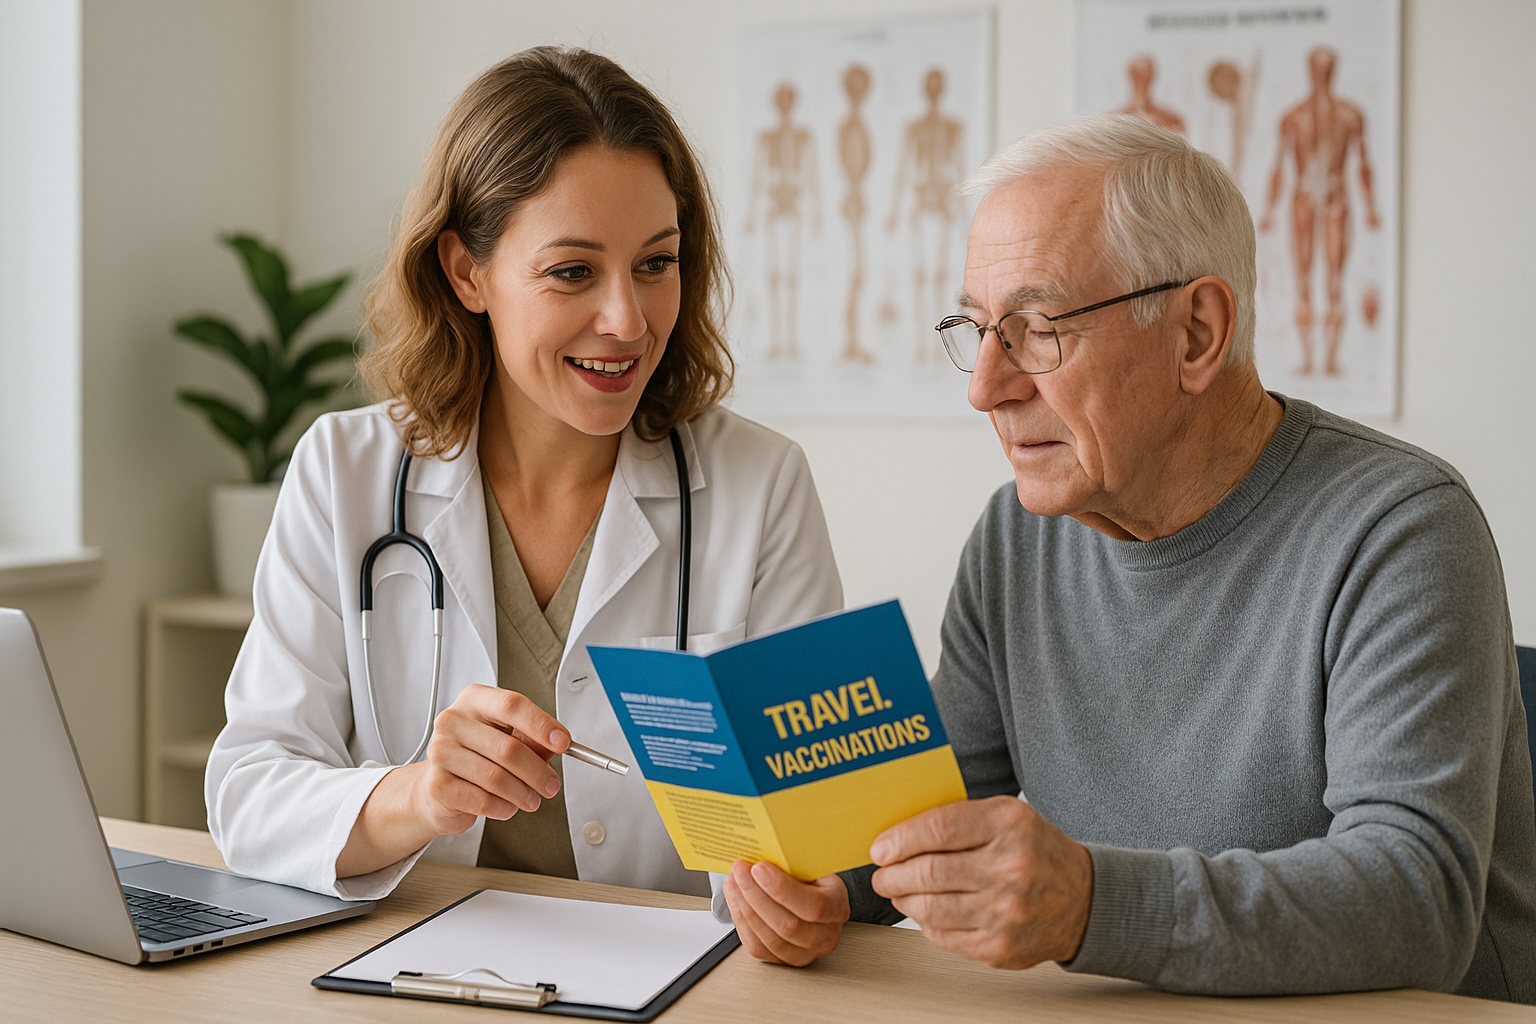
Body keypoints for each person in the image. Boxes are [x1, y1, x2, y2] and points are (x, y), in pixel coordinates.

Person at [726, 114, 1536, 1003]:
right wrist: (811, 887)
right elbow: (917, 812)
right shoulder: (1017, 539)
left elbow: (1418, 902)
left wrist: (1089, 906)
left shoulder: (1401, 529)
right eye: (976, 327)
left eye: (1036, 328)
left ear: (1197, 333)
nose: (984, 388)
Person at [204, 47, 842, 903]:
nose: (626, 319)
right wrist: (420, 796)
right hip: (408, 973)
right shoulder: (344, 473)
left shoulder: (760, 485)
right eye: (573, 271)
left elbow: (824, 827)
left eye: (656, 263)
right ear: (468, 272)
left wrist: (810, 894)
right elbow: (247, 794)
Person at [1258, 47, 1381, 376]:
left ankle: (1329, 359)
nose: (1322, 72)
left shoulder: (1350, 115)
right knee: (1303, 279)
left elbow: (1364, 165)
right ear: (1310, 70)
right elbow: (1278, 167)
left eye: (1326, 67)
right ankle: (1309, 358)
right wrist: (1268, 210)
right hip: (1303, 198)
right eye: (1318, 67)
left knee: (1334, 281)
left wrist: (1371, 207)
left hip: (1336, 198)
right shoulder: (1293, 116)